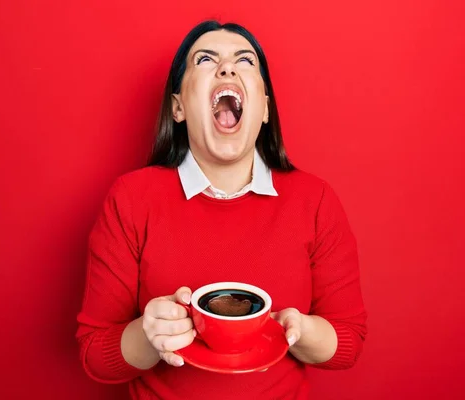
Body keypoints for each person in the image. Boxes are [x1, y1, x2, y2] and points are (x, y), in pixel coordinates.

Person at [76, 20, 367, 400]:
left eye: (244, 60)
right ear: (178, 107)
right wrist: (148, 336)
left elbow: (349, 341)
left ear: (264, 108)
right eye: (206, 59)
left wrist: (298, 331)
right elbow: (94, 354)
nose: (227, 68)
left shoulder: (316, 200)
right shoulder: (130, 198)